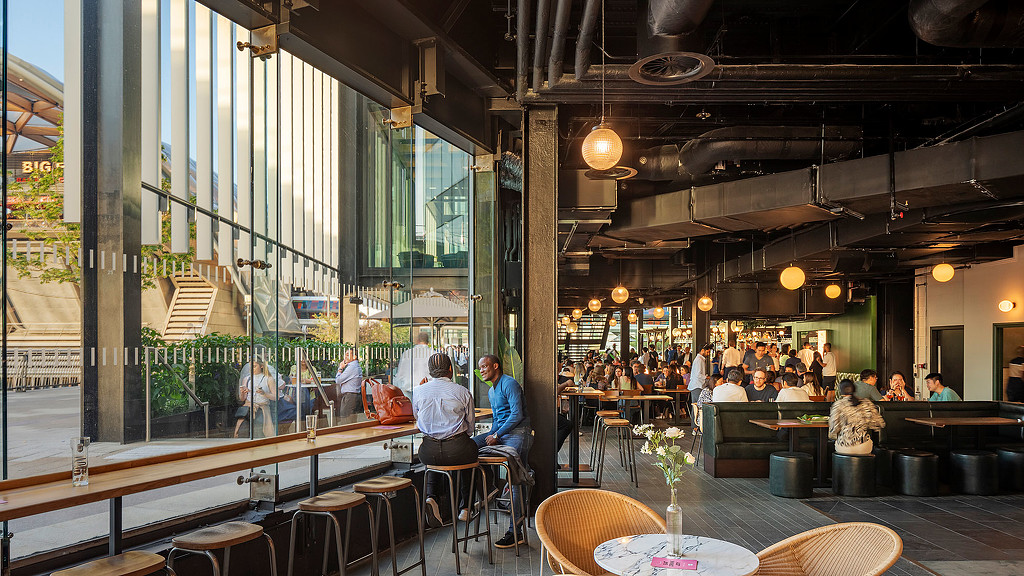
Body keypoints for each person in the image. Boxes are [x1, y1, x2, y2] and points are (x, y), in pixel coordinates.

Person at [413, 353, 476, 528]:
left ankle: (431, 497)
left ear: (430, 372)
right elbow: (470, 428)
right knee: (471, 453)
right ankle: (466, 507)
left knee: (434, 460)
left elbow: (417, 419)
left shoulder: (418, 391)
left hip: (428, 452)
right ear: (450, 370)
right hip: (458, 450)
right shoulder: (463, 392)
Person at [475, 354, 531, 549]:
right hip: (502, 433)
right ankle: (490, 489)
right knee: (470, 447)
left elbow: (517, 414)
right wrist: (489, 436)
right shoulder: (492, 391)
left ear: (495, 366)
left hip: (518, 433)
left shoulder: (510, 383)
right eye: (480, 367)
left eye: (484, 366)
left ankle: (515, 532)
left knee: (515, 482)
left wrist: (496, 435)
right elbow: (497, 420)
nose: (481, 370)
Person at [829, 379, 885, 455]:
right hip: (864, 447)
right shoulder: (867, 403)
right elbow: (880, 424)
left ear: (840, 392)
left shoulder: (838, 405)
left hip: (844, 446)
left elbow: (833, 431)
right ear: (855, 389)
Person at [234, 359, 278, 438]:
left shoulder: (268, 378)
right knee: (242, 433)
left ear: (261, 366)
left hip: (262, 409)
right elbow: (242, 399)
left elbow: (276, 397)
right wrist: (243, 392)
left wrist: (264, 393)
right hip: (248, 409)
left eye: (254, 366)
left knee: (260, 434)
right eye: (250, 367)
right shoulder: (247, 379)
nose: (251, 369)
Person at [394, 332, 435, 399]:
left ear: (417, 340)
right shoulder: (433, 353)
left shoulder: (407, 353)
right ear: (428, 342)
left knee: (410, 409)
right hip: (426, 389)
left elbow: (400, 374)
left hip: (408, 387)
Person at [335, 348, 363, 423]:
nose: (345, 357)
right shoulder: (354, 366)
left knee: (346, 421)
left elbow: (338, 380)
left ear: (354, 357)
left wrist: (340, 368)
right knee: (351, 421)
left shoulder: (352, 367)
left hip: (349, 396)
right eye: (345, 355)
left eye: (348, 355)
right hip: (352, 396)